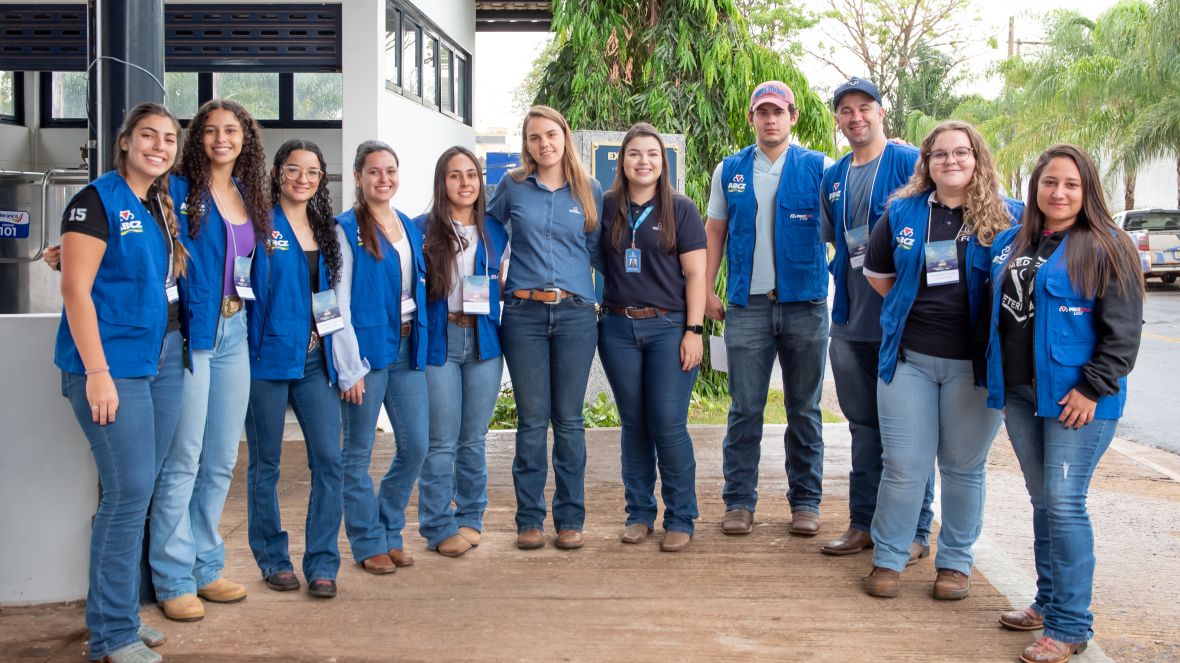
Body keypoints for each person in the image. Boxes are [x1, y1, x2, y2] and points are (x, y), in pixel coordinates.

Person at [986, 145, 1143, 663]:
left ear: (1087, 189)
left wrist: (1092, 387)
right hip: (1020, 393)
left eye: (1071, 184)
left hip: (1077, 399)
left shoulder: (1108, 245)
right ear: (1035, 188)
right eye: (1049, 182)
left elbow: (1123, 334)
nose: (1059, 192)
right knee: (1043, 502)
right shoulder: (1015, 240)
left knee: (1065, 502)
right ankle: (1048, 601)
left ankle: (1071, 625)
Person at [860, 120, 1023, 600]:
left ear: (977, 159)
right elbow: (878, 275)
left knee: (962, 468)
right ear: (927, 163)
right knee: (904, 466)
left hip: (975, 369)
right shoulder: (903, 212)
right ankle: (889, 558)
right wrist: (912, 309)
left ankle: (954, 563)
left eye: (961, 152)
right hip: (909, 361)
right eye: (940, 154)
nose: (951, 161)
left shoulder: (1010, 217)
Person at [54, 101, 187, 663]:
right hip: (112, 366)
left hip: (161, 360)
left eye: (169, 139)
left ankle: (121, 615)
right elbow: (76, 290)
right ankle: (111, 635)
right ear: (125, 141)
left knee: (137, 492)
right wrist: (97, 373)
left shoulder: (157, 202)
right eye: (149, 135)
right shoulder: (95, 201)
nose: (160, 146)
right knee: (127, 494)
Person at [152, 98, 271, 621]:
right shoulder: (177, 190)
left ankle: (205, 565)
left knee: (222, 458)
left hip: (235, 331)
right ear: (197, 137)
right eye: (210, 130)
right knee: (184, 459)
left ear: (246, 139)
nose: (222, 139)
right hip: (194, 333)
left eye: (232, 130)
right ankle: (173, 576)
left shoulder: (248, 194)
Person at [242, 140, 369, 599]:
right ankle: (273, 559)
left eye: (312, 172)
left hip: (315, 362)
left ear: (321, 179)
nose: (303, 178)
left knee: (329, 461)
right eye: (294, 169)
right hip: (266, 361)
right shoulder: (256, 225)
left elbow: (333, 302)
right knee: (266, 464)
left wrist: (347, 364)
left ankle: (322, 562)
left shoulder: (327, 230)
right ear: (278, 172)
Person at [703, 81, 829, 537]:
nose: (770, 120)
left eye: (778, 112)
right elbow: (714, 232)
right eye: (762, 112)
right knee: (744, 408)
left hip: (806, 306)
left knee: (804, 409)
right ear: (752, 118)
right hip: (747, 307)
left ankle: (806, 502)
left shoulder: (820, 167)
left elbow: (845, 224)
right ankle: (739, 501)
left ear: (793, 117)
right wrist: (704, 290)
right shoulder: (729, 170)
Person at [819, 78, 936, 563]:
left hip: (902, 324)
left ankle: (916, 530)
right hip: (850, 322)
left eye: (864, 107)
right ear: (838, 120)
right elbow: (837, 240)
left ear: (881, 112)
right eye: (846, 110)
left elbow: (942, 222)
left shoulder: (910, 162)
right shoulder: (834, 175)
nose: (856, 117)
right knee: (863, 428)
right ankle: (862, 523)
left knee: (909, 435)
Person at [487, 105, 603, 551]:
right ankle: (529, 520)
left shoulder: (589, 189)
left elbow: (598, 250)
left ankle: (570, 519)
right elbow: (488, 233)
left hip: (575, 315)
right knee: (532, 421)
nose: (544, 144)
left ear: (564, 137)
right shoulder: (512, 186)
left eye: (551, 135)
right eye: (535, 137)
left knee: (569, 421)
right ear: (527, 144)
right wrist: (491, 273)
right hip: (524, 315)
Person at [598, 123, 707, 552]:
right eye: (634, 154)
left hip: (668, 328)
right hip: (617, 329)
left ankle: (681, 516)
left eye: (652, 154)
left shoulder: (681, 209)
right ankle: (639, 514)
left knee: (667, 422)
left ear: (663, 162)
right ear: (621, 161)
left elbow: (696, 275)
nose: (643, 162)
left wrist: (694, 331)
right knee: (634, 424)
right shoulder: (606, 208)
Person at [339, 140, 429, 574]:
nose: (383, 179)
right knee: (357, 452)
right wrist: (348, 366)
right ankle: (367, 540)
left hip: (408, 347)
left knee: (416, 446)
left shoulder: (408, 224)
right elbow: (338, 302)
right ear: (358, 177)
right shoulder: (344, 229)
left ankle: (390, 529)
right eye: (374, 171)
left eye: (390, 170)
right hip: (366, 354)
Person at [415, 146, 509, 557]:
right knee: (441, 441)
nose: (465, 183)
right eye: (455, 175)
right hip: (441, 341)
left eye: (471, 174)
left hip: (484, 342)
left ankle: (471, 517)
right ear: (443, 182)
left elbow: (504, 283)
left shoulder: (496, 230)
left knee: (473, 439)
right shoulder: (420, 229)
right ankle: (438, 524)